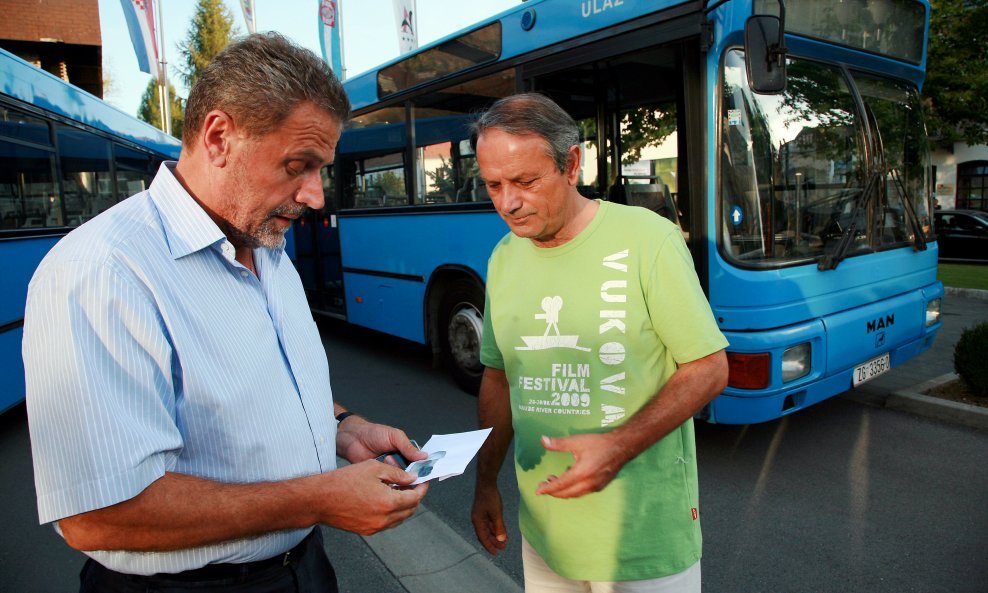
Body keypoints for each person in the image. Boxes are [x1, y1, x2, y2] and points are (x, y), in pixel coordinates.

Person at [22, 33, 428, 593]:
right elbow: (97, 513)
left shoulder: (268, 245)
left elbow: (264, 385)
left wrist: (344, 428)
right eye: (297, 165)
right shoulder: (103, 272)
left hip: (303, 566)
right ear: (219, 137)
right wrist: (317, 497)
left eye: (321, 169)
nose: (315, 195)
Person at [469, 93, 729, 592]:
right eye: (493, 185)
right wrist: (486, 484)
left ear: (571, 164)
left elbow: (709, 367)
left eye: (524, 181)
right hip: (544, 535)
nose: (507, 203)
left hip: (642, 540)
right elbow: (499, 378)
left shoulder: (647, 239)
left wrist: (617, 446)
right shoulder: (503, 257)